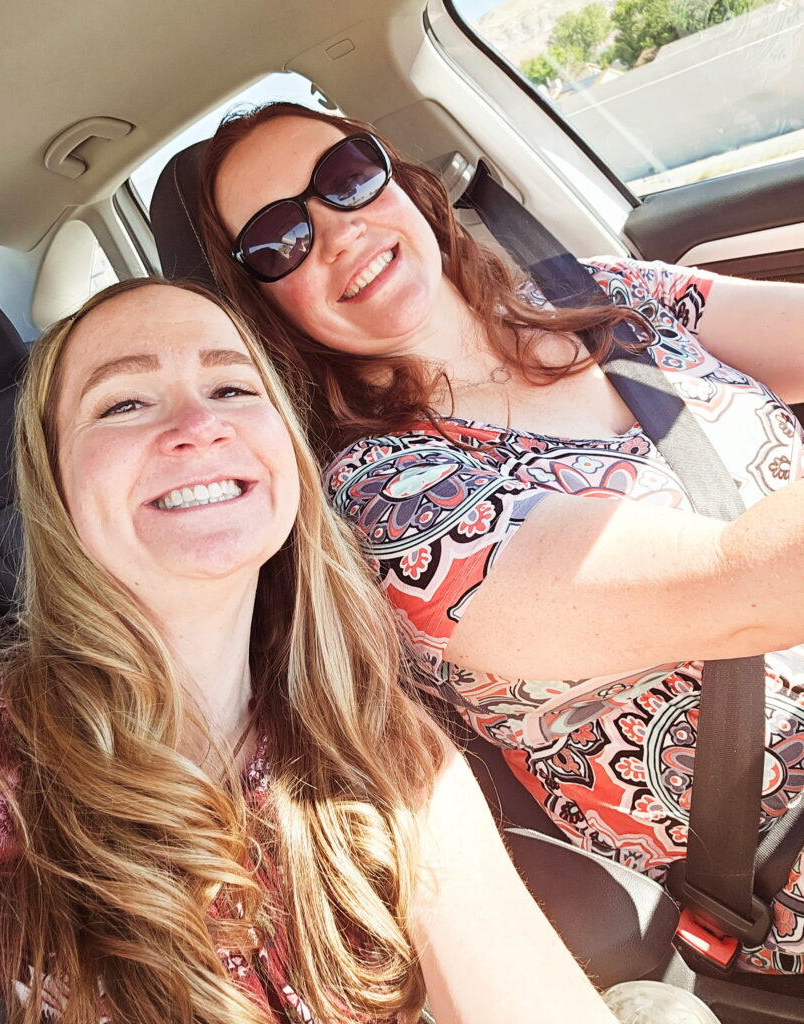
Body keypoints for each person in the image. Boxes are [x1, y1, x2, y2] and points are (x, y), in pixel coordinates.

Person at [197, 101, 804, 975]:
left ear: (401, 179)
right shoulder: (389, 507)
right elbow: (746, 586)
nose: (333, 230)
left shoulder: (593, 293)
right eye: (277, 240)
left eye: (344, 178)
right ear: (264, 304)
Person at [0, 278, 621, 1024]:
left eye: (231, 387)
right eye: (124, 403)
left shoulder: (378, 741)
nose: (200, 425)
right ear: (55, 487)